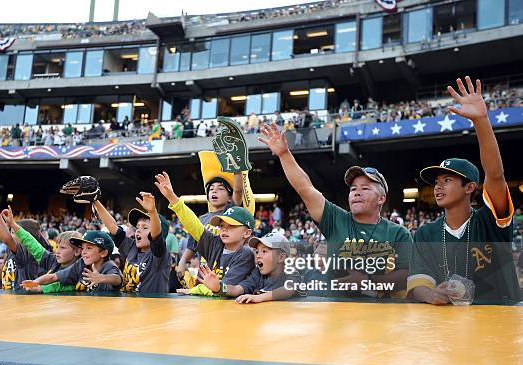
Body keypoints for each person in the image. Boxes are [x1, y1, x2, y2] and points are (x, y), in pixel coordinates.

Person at [259, 122, 412, 298]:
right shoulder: (336, 219)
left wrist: (367, 280)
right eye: (353, 189)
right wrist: (284, 154)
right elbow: (306, 189)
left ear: (381, 198)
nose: (357, 193)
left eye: (365, 188)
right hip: (335, 311)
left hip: (378, 315)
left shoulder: (399, 234)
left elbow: (405, 275)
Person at [407, 76, 521, 304]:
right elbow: (418, 280)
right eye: (436, 181)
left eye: (447, 180)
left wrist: (481, 121)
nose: (438, 186)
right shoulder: (425, 234)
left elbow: (495, 175)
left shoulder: (490, 221)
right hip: (448, 331)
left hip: (500, 328)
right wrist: (431, 295)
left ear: (469, 187)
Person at [155, 171, 256, 296]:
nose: (224, 229)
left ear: (246, 233)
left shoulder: (246, 254)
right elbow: (193, 225)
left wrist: (196, 290)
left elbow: (222, 289)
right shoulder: (215, 242)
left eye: (231, 226)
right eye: (222, 226)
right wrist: (172, 198)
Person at [94, 194, 171, 293]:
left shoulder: (160, 255)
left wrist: (152, 212)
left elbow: (156, 236)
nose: (138, 231)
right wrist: (95, 201)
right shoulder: (132, 247)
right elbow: (113, 227)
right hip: (130, 305)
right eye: (137, 227)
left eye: (145, 227)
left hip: (151, 306)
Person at [196, 232, 301, 303]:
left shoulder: (291, 272)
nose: (258, 255)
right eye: (257, 251)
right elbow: (238, 289)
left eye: (264, 251)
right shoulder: (257, 274)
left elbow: (288, 289)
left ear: (281, 257)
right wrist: (219, 287)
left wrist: (259, 297)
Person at [0, 190, 48, 290]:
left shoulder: (27, 252)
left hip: (22, 300)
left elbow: (6, 238)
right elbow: (6, 235)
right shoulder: (12, 249)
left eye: (14, 232)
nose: (11, 235)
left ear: (26, 236)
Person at [1, 207, 83, 293]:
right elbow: (32, 243)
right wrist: (13, 224)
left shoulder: (81, 268)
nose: (57, 251)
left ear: (77, 251)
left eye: (62, 248)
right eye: (57, 247)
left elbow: (66, 286)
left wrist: (42, 288)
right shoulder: (53, 260)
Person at [23, 230, 122, 292]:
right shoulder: (81, 264)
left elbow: (118, 279)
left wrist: (102, 278)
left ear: (103, 253)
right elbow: (54, 277)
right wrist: (34, 282)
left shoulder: (109, 266)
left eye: (89, 248)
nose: (83, 252)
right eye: (82, 248)